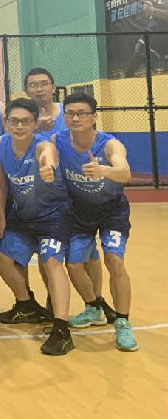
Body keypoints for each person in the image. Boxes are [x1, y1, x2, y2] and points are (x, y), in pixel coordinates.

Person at [24, 67, 115, 322]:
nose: (39, 89)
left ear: (53, 87)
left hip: (76, 193)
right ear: (27, 90)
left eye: (44, 83)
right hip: (43, 195)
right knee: (47, 254)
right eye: (33, 85)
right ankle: (53, 300)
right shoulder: (25, 116)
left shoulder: (71, 113)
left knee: (88, 253)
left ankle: (95, 302)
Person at [0, 99, 75, 355]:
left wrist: (48, 166)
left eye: (26, 121)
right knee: (2, 257)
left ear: (35, 123)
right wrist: (1, 216)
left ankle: (62, 330)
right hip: (23, 217)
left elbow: (48, 155)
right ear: (6, 122)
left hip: (53, 216)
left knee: (51, 262)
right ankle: (26, 304)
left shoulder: (42, 145)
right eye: (14, 121)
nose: (19, 126)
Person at [56, 93, 137, 352]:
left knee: (114, 261)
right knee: (73, 264)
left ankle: (122, 321)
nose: (76, 118)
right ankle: (94, 308)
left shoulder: (110, 144)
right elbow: (43, 153)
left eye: (82, 113)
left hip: (111, 210)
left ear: (94, 117)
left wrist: (103, 170)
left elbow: (125, 173)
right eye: (70, 113)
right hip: (80, 211)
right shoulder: (58, 141)